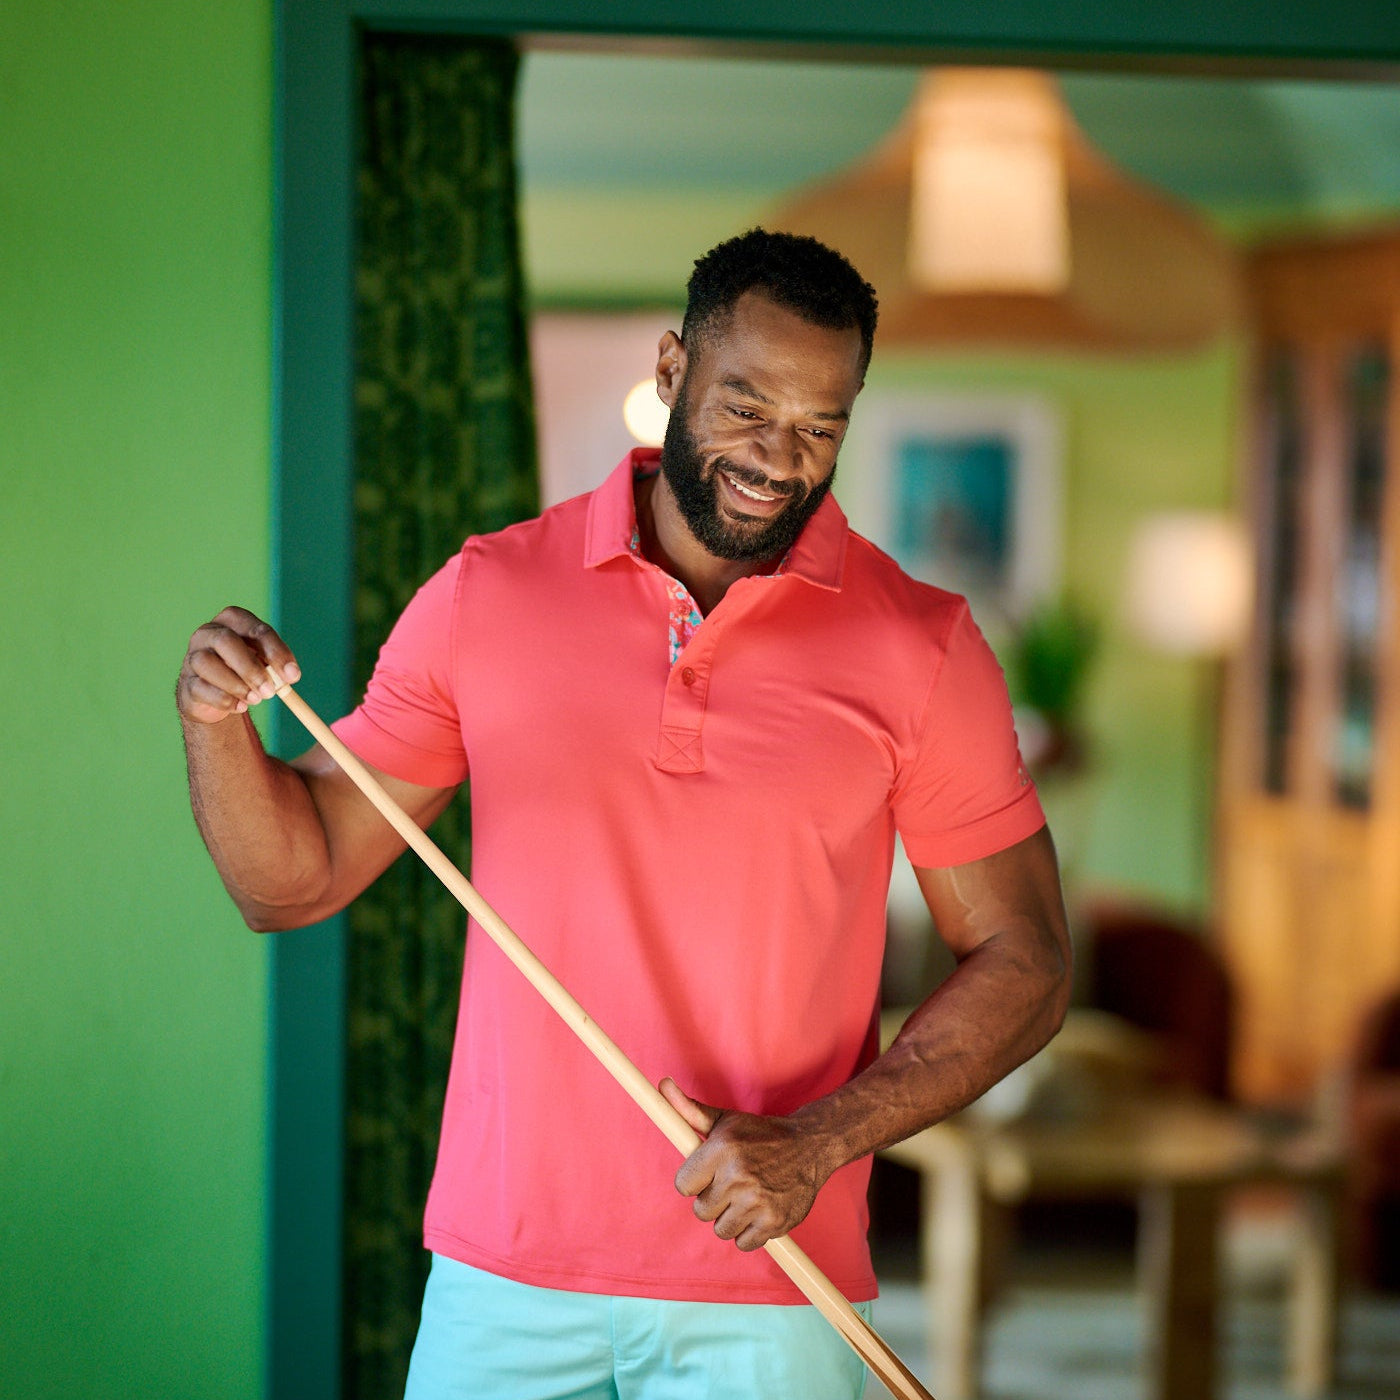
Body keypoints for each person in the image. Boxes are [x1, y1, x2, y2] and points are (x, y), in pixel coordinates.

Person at [178, 228, 1071, 1400]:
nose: (776, 458)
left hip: (774, 1280)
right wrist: (214, 722)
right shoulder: (488, 591)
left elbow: (1026, 960)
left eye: (819, 426)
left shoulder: (922, 644)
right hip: (506, 1276)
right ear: (669, 368)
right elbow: (288, 883)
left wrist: (818, 1139)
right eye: (745, 407)